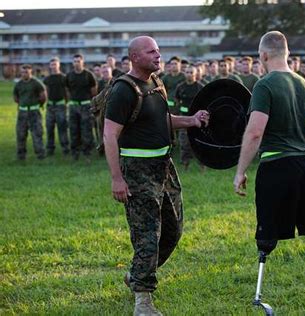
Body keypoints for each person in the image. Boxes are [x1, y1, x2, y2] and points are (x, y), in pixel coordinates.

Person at [103, 36, 209, 316]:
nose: (158, 56)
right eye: (152, 52)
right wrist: (117, 179)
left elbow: (162, 120)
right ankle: (143, 301)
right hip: (138, 171)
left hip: (164, 166)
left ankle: (137, 274)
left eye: (159, 51)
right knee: (147, 235)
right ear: (135, 57)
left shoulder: (157, 84)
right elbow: (110, 135)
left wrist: (191, 121)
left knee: (173, 230)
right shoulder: (123, 90)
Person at [233, 29, 305, 275]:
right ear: (287, 53)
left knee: (267, 230)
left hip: (276, 166)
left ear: (263, 55)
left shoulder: (264, 85)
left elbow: (254, 132)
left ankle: (259, 294)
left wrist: (240, 171)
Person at [66, 53, 98, 161]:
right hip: (73, 106)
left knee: (86, 130)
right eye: (74, 61)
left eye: (78, 61)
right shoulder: (69, 75)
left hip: (85, 106)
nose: (76, 63)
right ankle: (75, 152)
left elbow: (94, 91)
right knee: (74, 130)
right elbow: (67, 90)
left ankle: (87, 152)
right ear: (72, 63)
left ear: (82, 62)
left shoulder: (88, 75)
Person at [13, 64, 47, 160]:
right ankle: (21, 155)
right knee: (21, 134)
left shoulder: (36, 83)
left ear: (31, 72)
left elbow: (43, 97)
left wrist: (37, 104)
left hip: (34, 112)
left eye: (26, 72)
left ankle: (40, 155)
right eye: (23, 72)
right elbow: (16, 97)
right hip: (22, 112)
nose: (24, 74)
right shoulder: (18, 84)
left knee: (37, 134)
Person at [174, 65, 205, 169]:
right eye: (187, 72)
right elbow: (177, 99)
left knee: (200, 142)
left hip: (198, 119)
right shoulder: (180, 87)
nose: (189, 74)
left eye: (191, 72)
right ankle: (185, 165)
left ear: (195, 74)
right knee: (184, 143)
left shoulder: (200, 87)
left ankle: (202, 165)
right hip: (184, 118)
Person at [43, 57, 70, 156]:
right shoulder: (47, 79)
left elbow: (67, 91)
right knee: (49, 128)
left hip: (61, 106)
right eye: (52, 64)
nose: (53, 66)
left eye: (55, 64)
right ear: (50, 66)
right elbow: (45, 92)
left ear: (59, 65)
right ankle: (50, 149)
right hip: (50, 106)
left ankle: (65, 148)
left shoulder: (64, 77)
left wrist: (66, 103)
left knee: (62, 128)